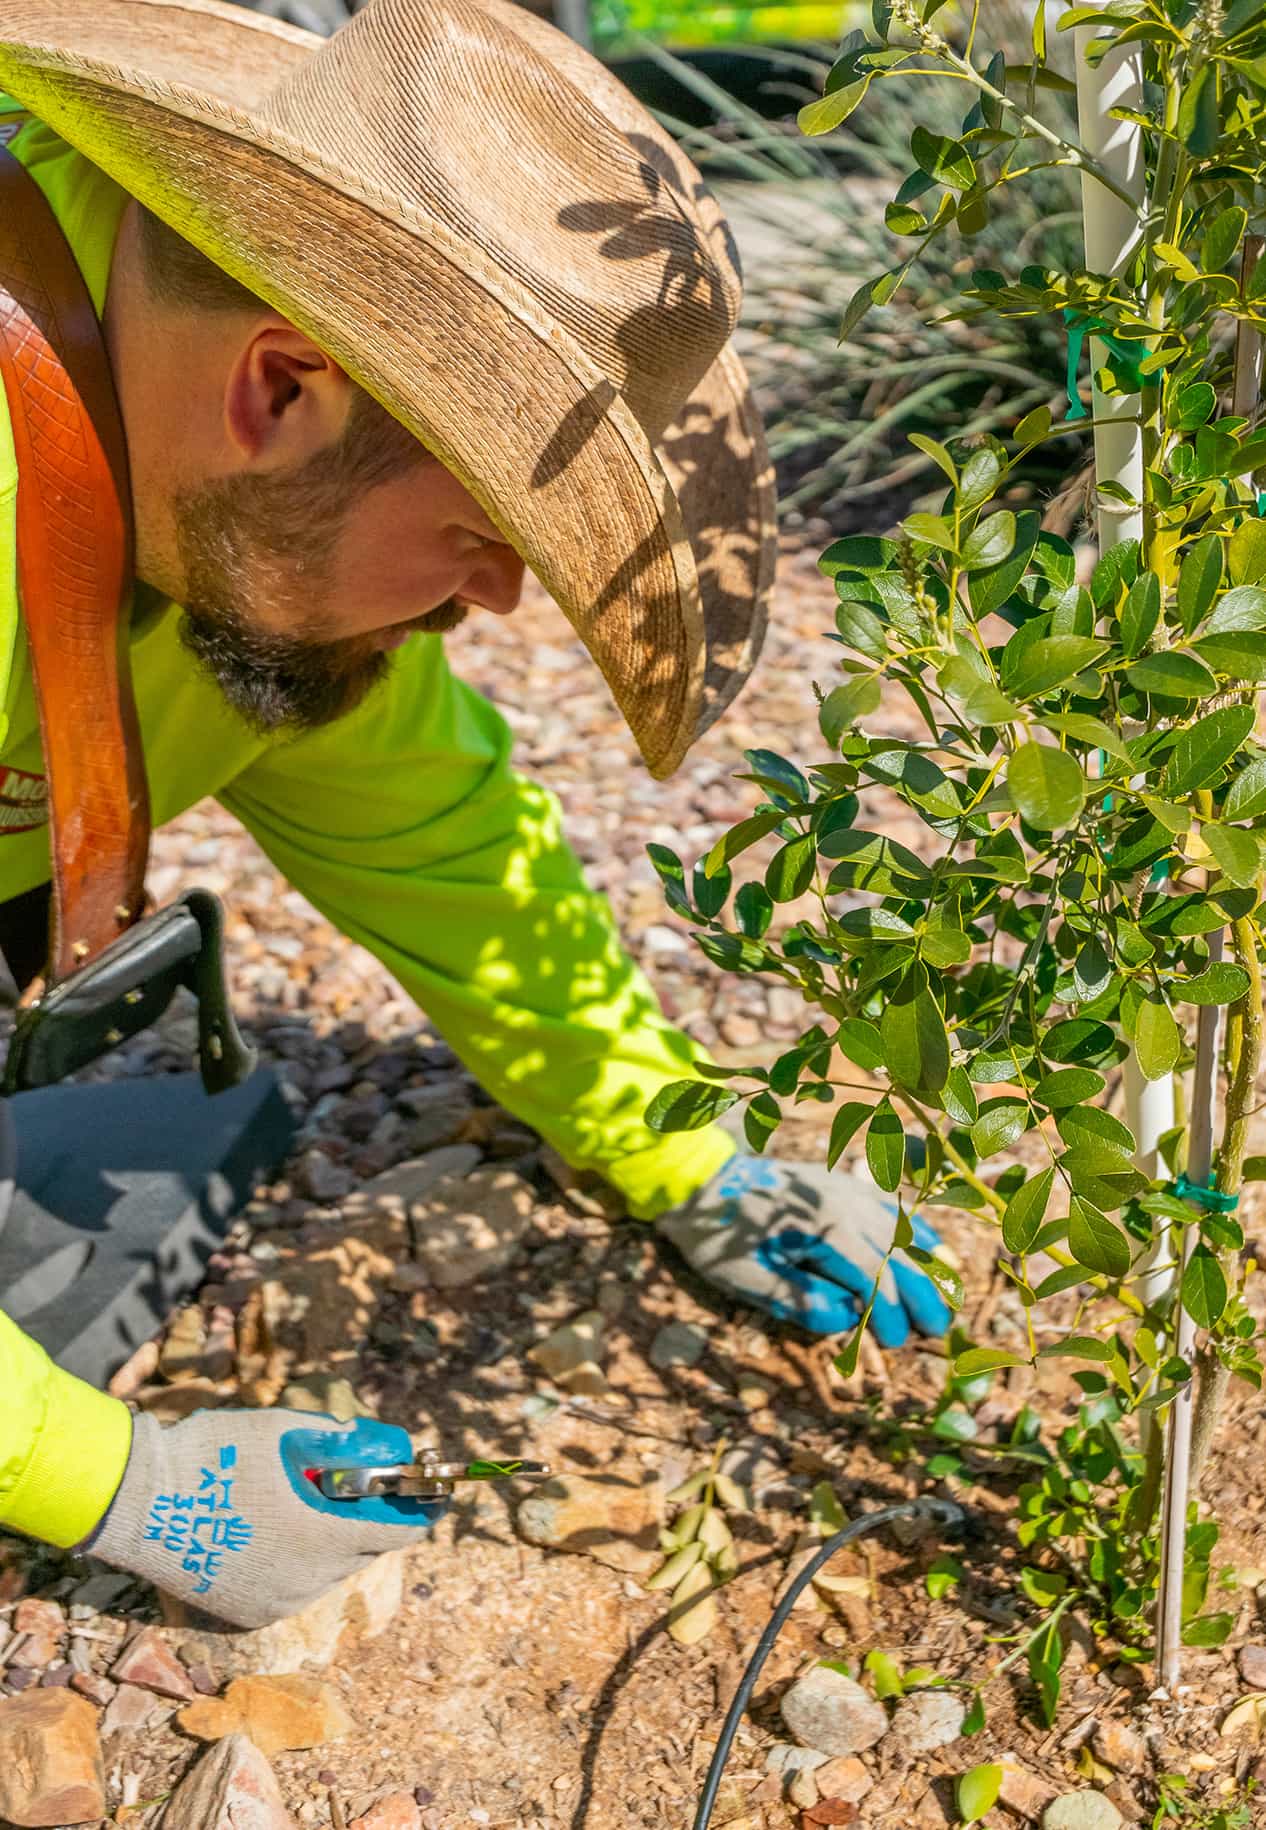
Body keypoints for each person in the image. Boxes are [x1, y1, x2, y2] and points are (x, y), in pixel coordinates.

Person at [0, 0, 949, 1631]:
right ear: (282, 385)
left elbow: (450, 847)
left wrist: (685, 1154)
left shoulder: (237, 523)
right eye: (487, 525)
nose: (503, 598)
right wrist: (109, 1475)